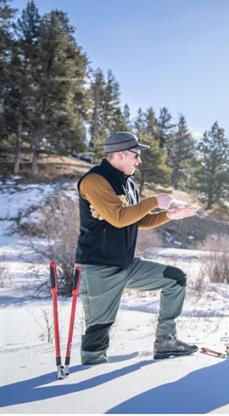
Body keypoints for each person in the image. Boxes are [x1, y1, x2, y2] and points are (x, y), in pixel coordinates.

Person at [75, 131, 199, 364]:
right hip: (99, 268)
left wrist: (170, 215)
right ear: (120, 154)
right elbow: (119, 218)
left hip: (126, 264)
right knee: (98, 332)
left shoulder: (129, 184)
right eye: (136, 155)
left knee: (175, 279)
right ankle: (88, 379)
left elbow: (138, 219)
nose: (139, 160)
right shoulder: (95, 181)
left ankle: (166, 341)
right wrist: (152, 201)